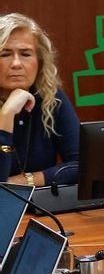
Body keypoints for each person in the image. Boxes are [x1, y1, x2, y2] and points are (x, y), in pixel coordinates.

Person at [0, 13, 80, 186]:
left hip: (42, 207)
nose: (16, 63)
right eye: (5, 54)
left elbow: (81, 165)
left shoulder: (51, 97)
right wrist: (6, 115)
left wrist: (25, 181)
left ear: (40, 61)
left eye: (25, 54)